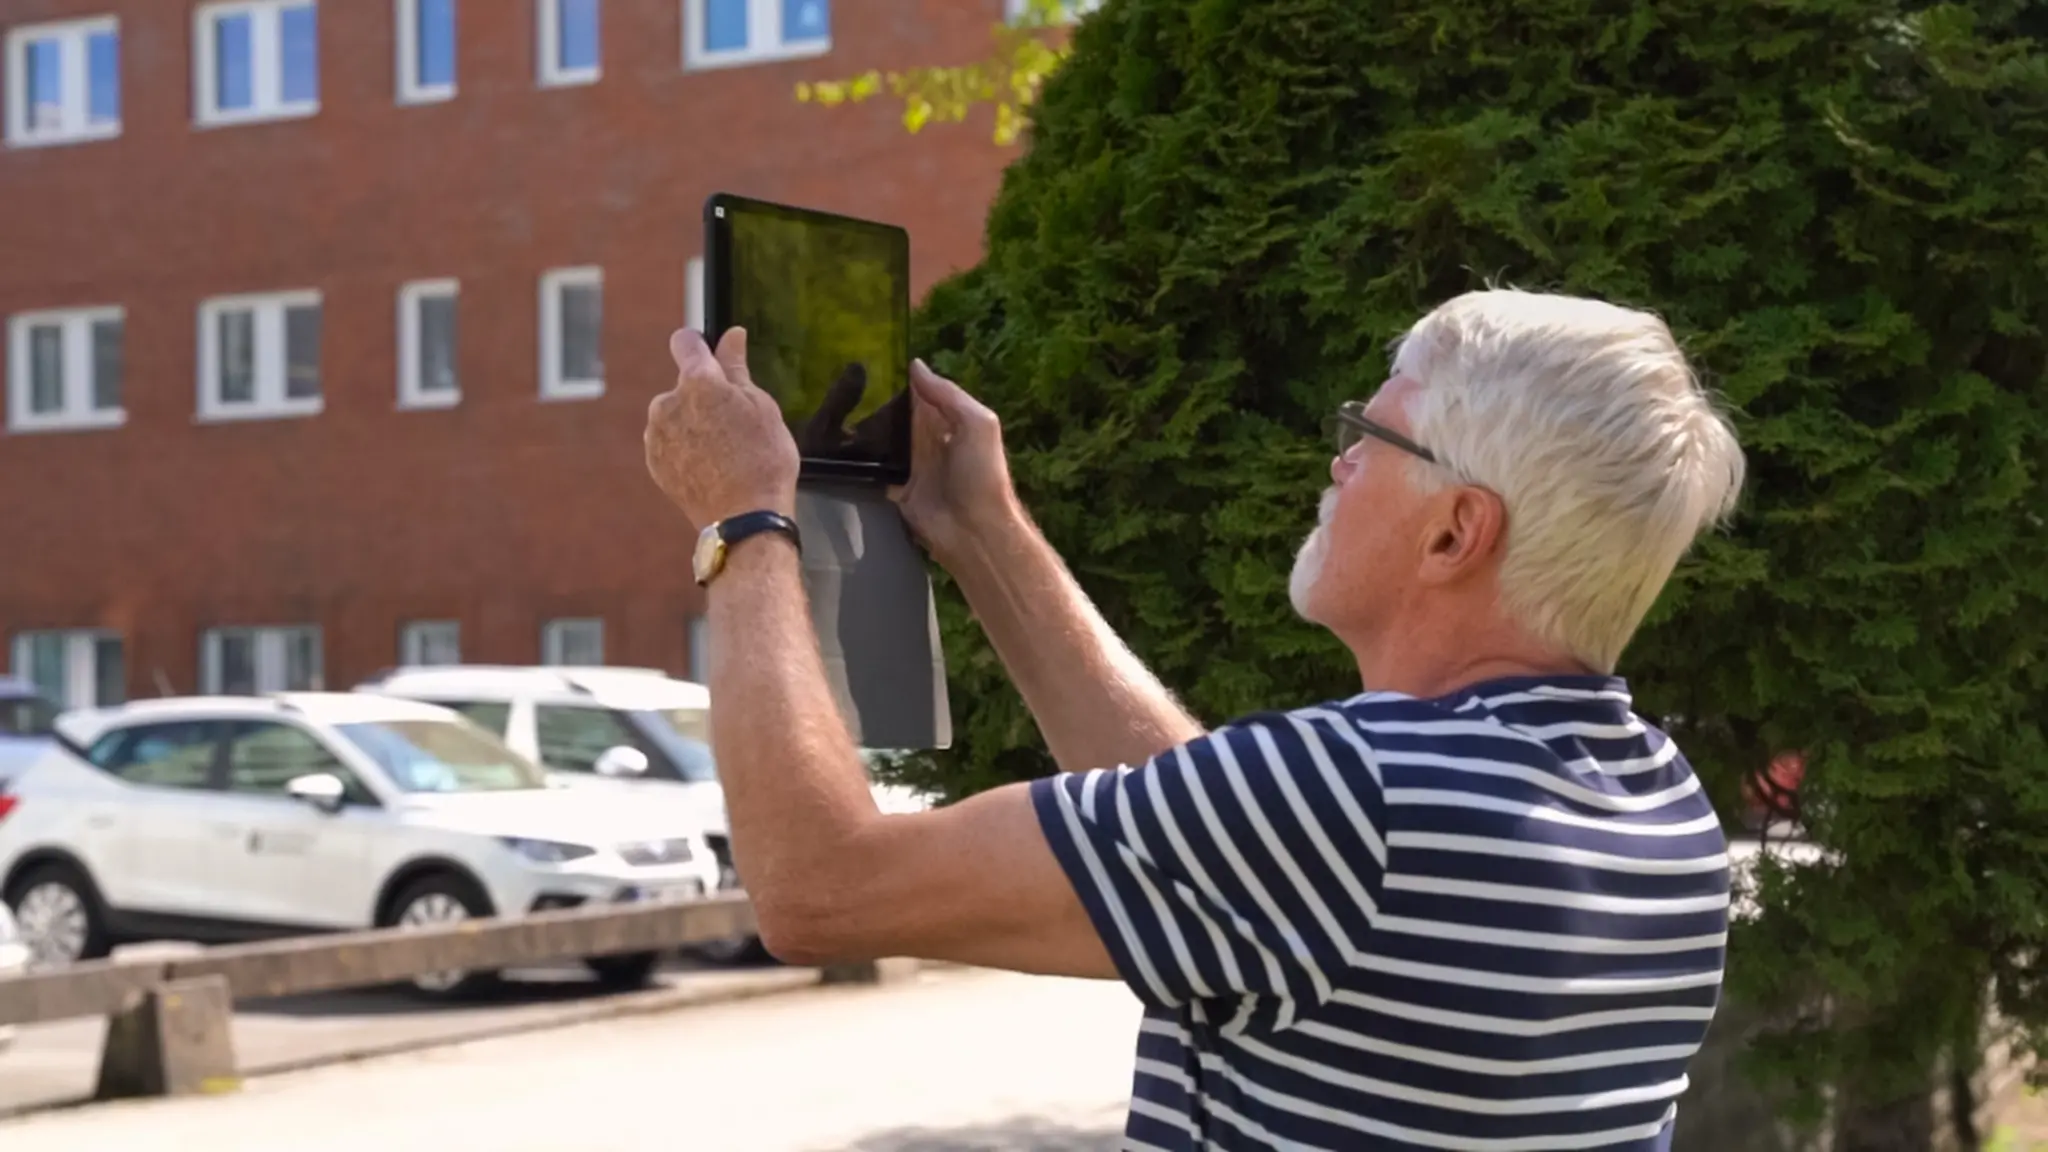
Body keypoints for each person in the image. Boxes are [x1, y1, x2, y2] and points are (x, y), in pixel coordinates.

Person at [643, 288, 1747, 1151]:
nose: (1338, 459)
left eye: (1373, 435)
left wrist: (742, 519)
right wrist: (980, 530)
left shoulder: (1348, 799)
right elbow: (1234, 849)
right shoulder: (1661, 808)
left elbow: (818, 887)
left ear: (1455, 532)